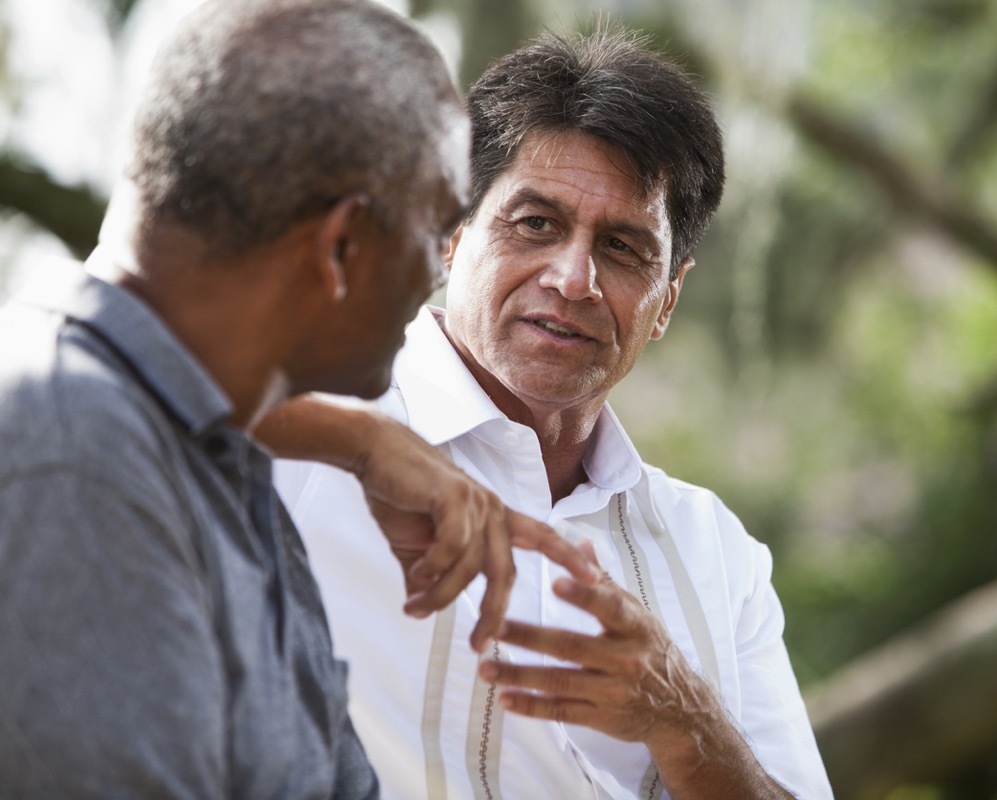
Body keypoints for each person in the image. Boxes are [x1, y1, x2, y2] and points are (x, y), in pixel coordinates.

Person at [0, 1, 594, 796]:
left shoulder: (213, 461)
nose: (436, 275)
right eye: (435, 228)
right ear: (342, 247)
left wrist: (357, 439)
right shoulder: (76, 462)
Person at [268, 25, 834, 800]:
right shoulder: (296, 434)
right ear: (450, 234)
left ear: (666, 302)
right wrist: (358, 441)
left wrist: (686, 723)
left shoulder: (716, 553)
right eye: (535, 224)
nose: (575, 280)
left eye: (625, 248)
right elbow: (74, 359)